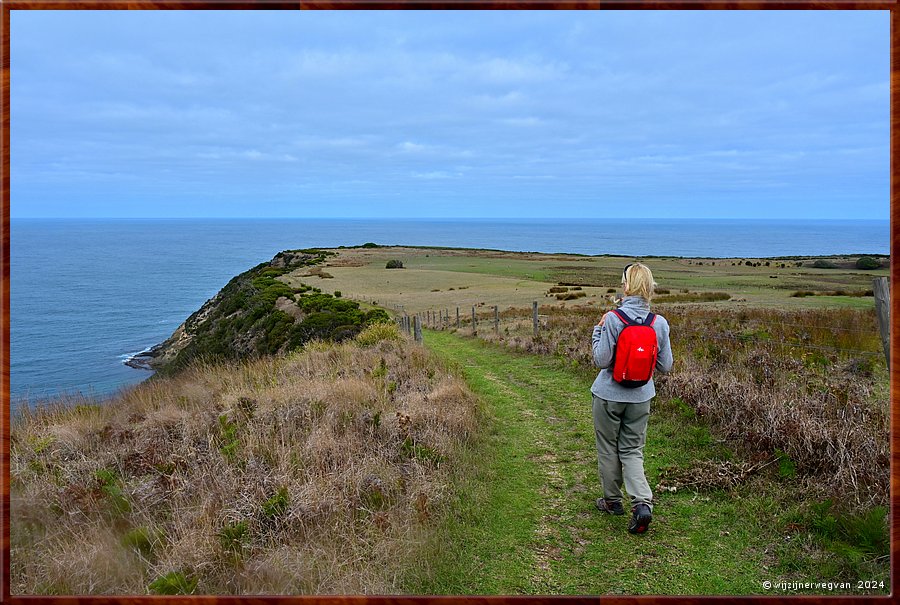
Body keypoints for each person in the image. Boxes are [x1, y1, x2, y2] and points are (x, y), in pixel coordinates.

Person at [591, 262, 673, 534]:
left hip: (608, 395)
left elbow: (601, 360)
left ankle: (612, 501)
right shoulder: (658, 323)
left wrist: (598, 331)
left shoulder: (613, 319)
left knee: (608, 447)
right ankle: (641, 504)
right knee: (632, 450)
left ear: (627, 287)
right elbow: (665, 366)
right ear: (649, 288)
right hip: (641, 397)